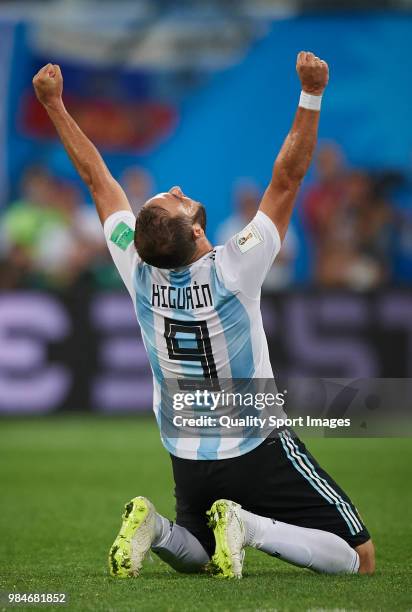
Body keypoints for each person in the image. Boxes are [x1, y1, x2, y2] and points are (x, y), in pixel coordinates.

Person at [32, 52, 375, 580]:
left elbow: (99, 182)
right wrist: (312, 93)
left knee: (196, 547)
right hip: (257, 441)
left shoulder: (137, 270)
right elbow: (286, 180)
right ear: (195, 232)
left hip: (185, 449)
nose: (174, 191)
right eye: (174, 203)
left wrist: (54, 106)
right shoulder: (236, 267)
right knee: (360, 558)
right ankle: (252, 527)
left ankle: (157, 530)